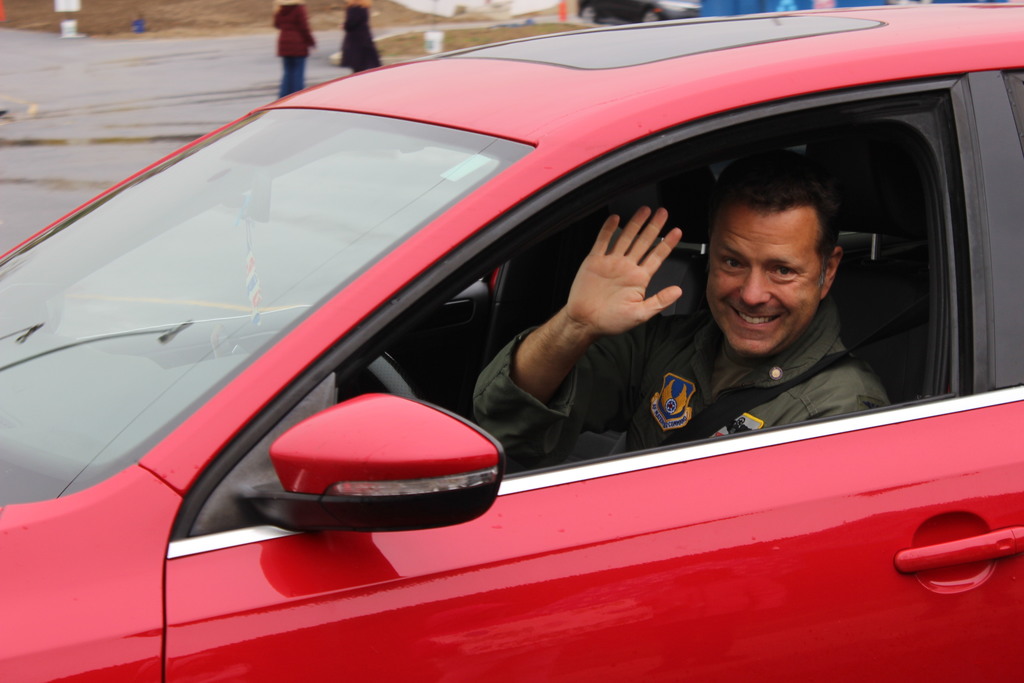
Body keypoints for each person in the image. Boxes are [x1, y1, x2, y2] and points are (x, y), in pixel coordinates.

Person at [474, 150, 889, 469]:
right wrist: (574, 325)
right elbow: (504, 427)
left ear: (828, 271)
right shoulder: (673, 343)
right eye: (732, 262)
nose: (751, 294)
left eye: (782, 270)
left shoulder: (840, 412)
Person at [274, 0, 316, 99]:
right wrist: (311, 42)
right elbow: (304, 27)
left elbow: (277, 24)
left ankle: (283, 97)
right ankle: (297, 97)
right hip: (298, 43)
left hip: (284, 43)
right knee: (298, 72)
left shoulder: (280, 8)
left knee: (287, 72)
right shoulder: (299, 8)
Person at [340, 0, 382, 74]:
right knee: (367, 65)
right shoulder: (364, 7)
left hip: (355, 40)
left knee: (358, 67)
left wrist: (344, 25)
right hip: (365, 38)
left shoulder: (354, 8)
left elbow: (351, 23)